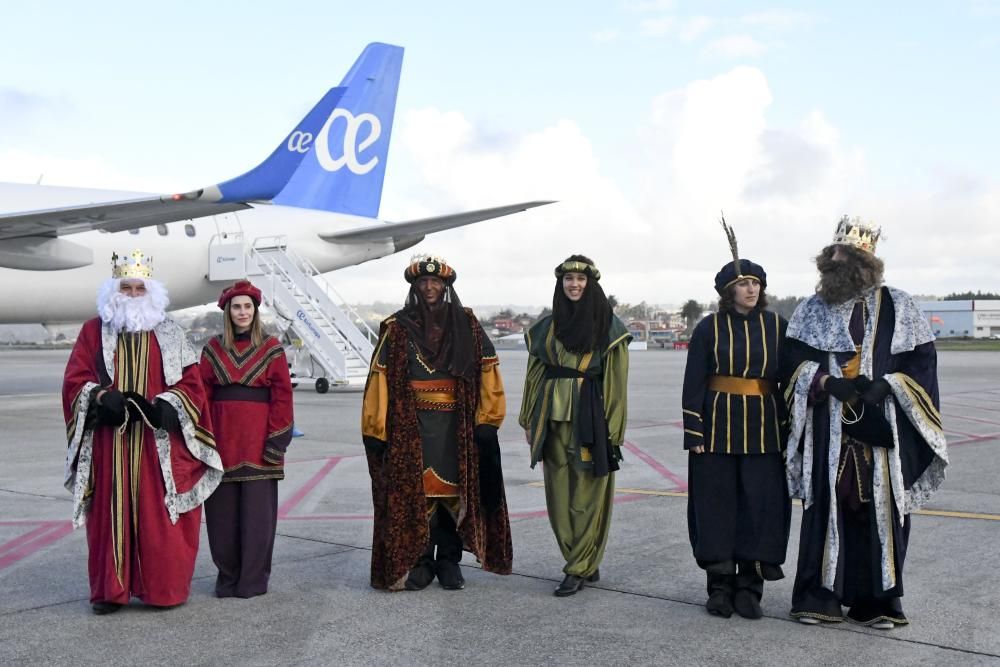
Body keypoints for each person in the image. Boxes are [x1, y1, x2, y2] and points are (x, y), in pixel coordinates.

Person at [783, 216, 948, 629]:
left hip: (880, 422)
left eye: (844, 254)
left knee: (878, 508)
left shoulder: (900, 304)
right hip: (828, 426)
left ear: (864, 262)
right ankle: (820, 598)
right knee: (828, 504)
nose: (834, 260)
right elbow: (789, 363)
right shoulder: (811, 309)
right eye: (831, 253)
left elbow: (922, 361)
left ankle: (877, 602)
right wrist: (823, 381)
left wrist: (888, 385)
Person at [62, 250, 222, 615]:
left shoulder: (170, 332)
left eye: (139, 288)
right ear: (113, 290)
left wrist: (171, 403)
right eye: (126, 288)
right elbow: (74, 381)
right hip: (110, 442)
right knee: (108, 515)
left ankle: (162, 589)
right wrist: (100, 396)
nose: (132, 295)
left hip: (157, 443)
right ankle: (109, 592)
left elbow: (192, 383)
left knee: (159, 516)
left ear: (151, 292)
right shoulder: (92, 331)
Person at [361, 255, 512, 591]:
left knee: (454, 496)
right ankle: (421, 561)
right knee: (417, 495)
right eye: (423, 282)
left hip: (455, 426)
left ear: (445, 286)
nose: (429, 287)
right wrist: (376, 427)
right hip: (410, 426)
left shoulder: (467, 323)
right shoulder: (397, 328)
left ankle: (449, 562)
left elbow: (489, 369)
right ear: (415, 287)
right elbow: (379, 378)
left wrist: (487, 420)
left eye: (436, 282)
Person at [681, 220, 790, 619]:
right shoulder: (709, 328)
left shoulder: (777, 326)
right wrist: (694, 431)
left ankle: (750, 587)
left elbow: (789, 380)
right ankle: (720, 586)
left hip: (764, 431)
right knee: (717, 508)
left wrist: (791, 431)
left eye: (756, 283)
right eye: (743, 284)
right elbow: (694, 382)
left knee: (758, 509)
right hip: (716, 429)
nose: (751, 289)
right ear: (729, 291)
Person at [520, 255, 631, 597]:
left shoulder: (608, 326)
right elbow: (535, 372)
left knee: (587, 494)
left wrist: (613, 430)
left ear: (591, 284)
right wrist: (528, 417)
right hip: (550, 418)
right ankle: (580, 557)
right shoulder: (547, 327)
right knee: (557, 494)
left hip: (590, 417)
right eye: (568, 279)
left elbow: (616, 380)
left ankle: (579, 565)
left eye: (580, 280)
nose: (574, 285)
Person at [199, 280, 294, 598]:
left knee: (257, 519)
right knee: (221, 517)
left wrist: (276, 441)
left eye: (247, 307)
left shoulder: (272, 348)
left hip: (258, 444)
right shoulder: (212, 349)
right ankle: (227, 578)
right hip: (222, 443)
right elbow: (202, 396)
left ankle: (252, 581)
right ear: (228, 311)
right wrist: (204, 440)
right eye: (236, 307)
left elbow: (282, 398)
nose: (242, 312)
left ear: (255, 311)